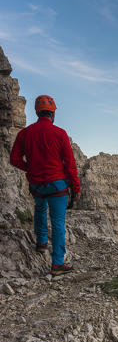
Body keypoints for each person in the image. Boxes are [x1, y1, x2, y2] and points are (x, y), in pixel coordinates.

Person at [10, 95, 81, 276]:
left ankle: (41, 243)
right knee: (58, 223)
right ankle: (57, 263)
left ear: (37, 112)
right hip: (57, 185)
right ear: (53, 113)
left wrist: (30, 168)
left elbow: (14, 159)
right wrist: (76, 188)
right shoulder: (60, 133)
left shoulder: (24, 134)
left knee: (39, 210)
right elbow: (70, 164)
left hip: (36, 184)